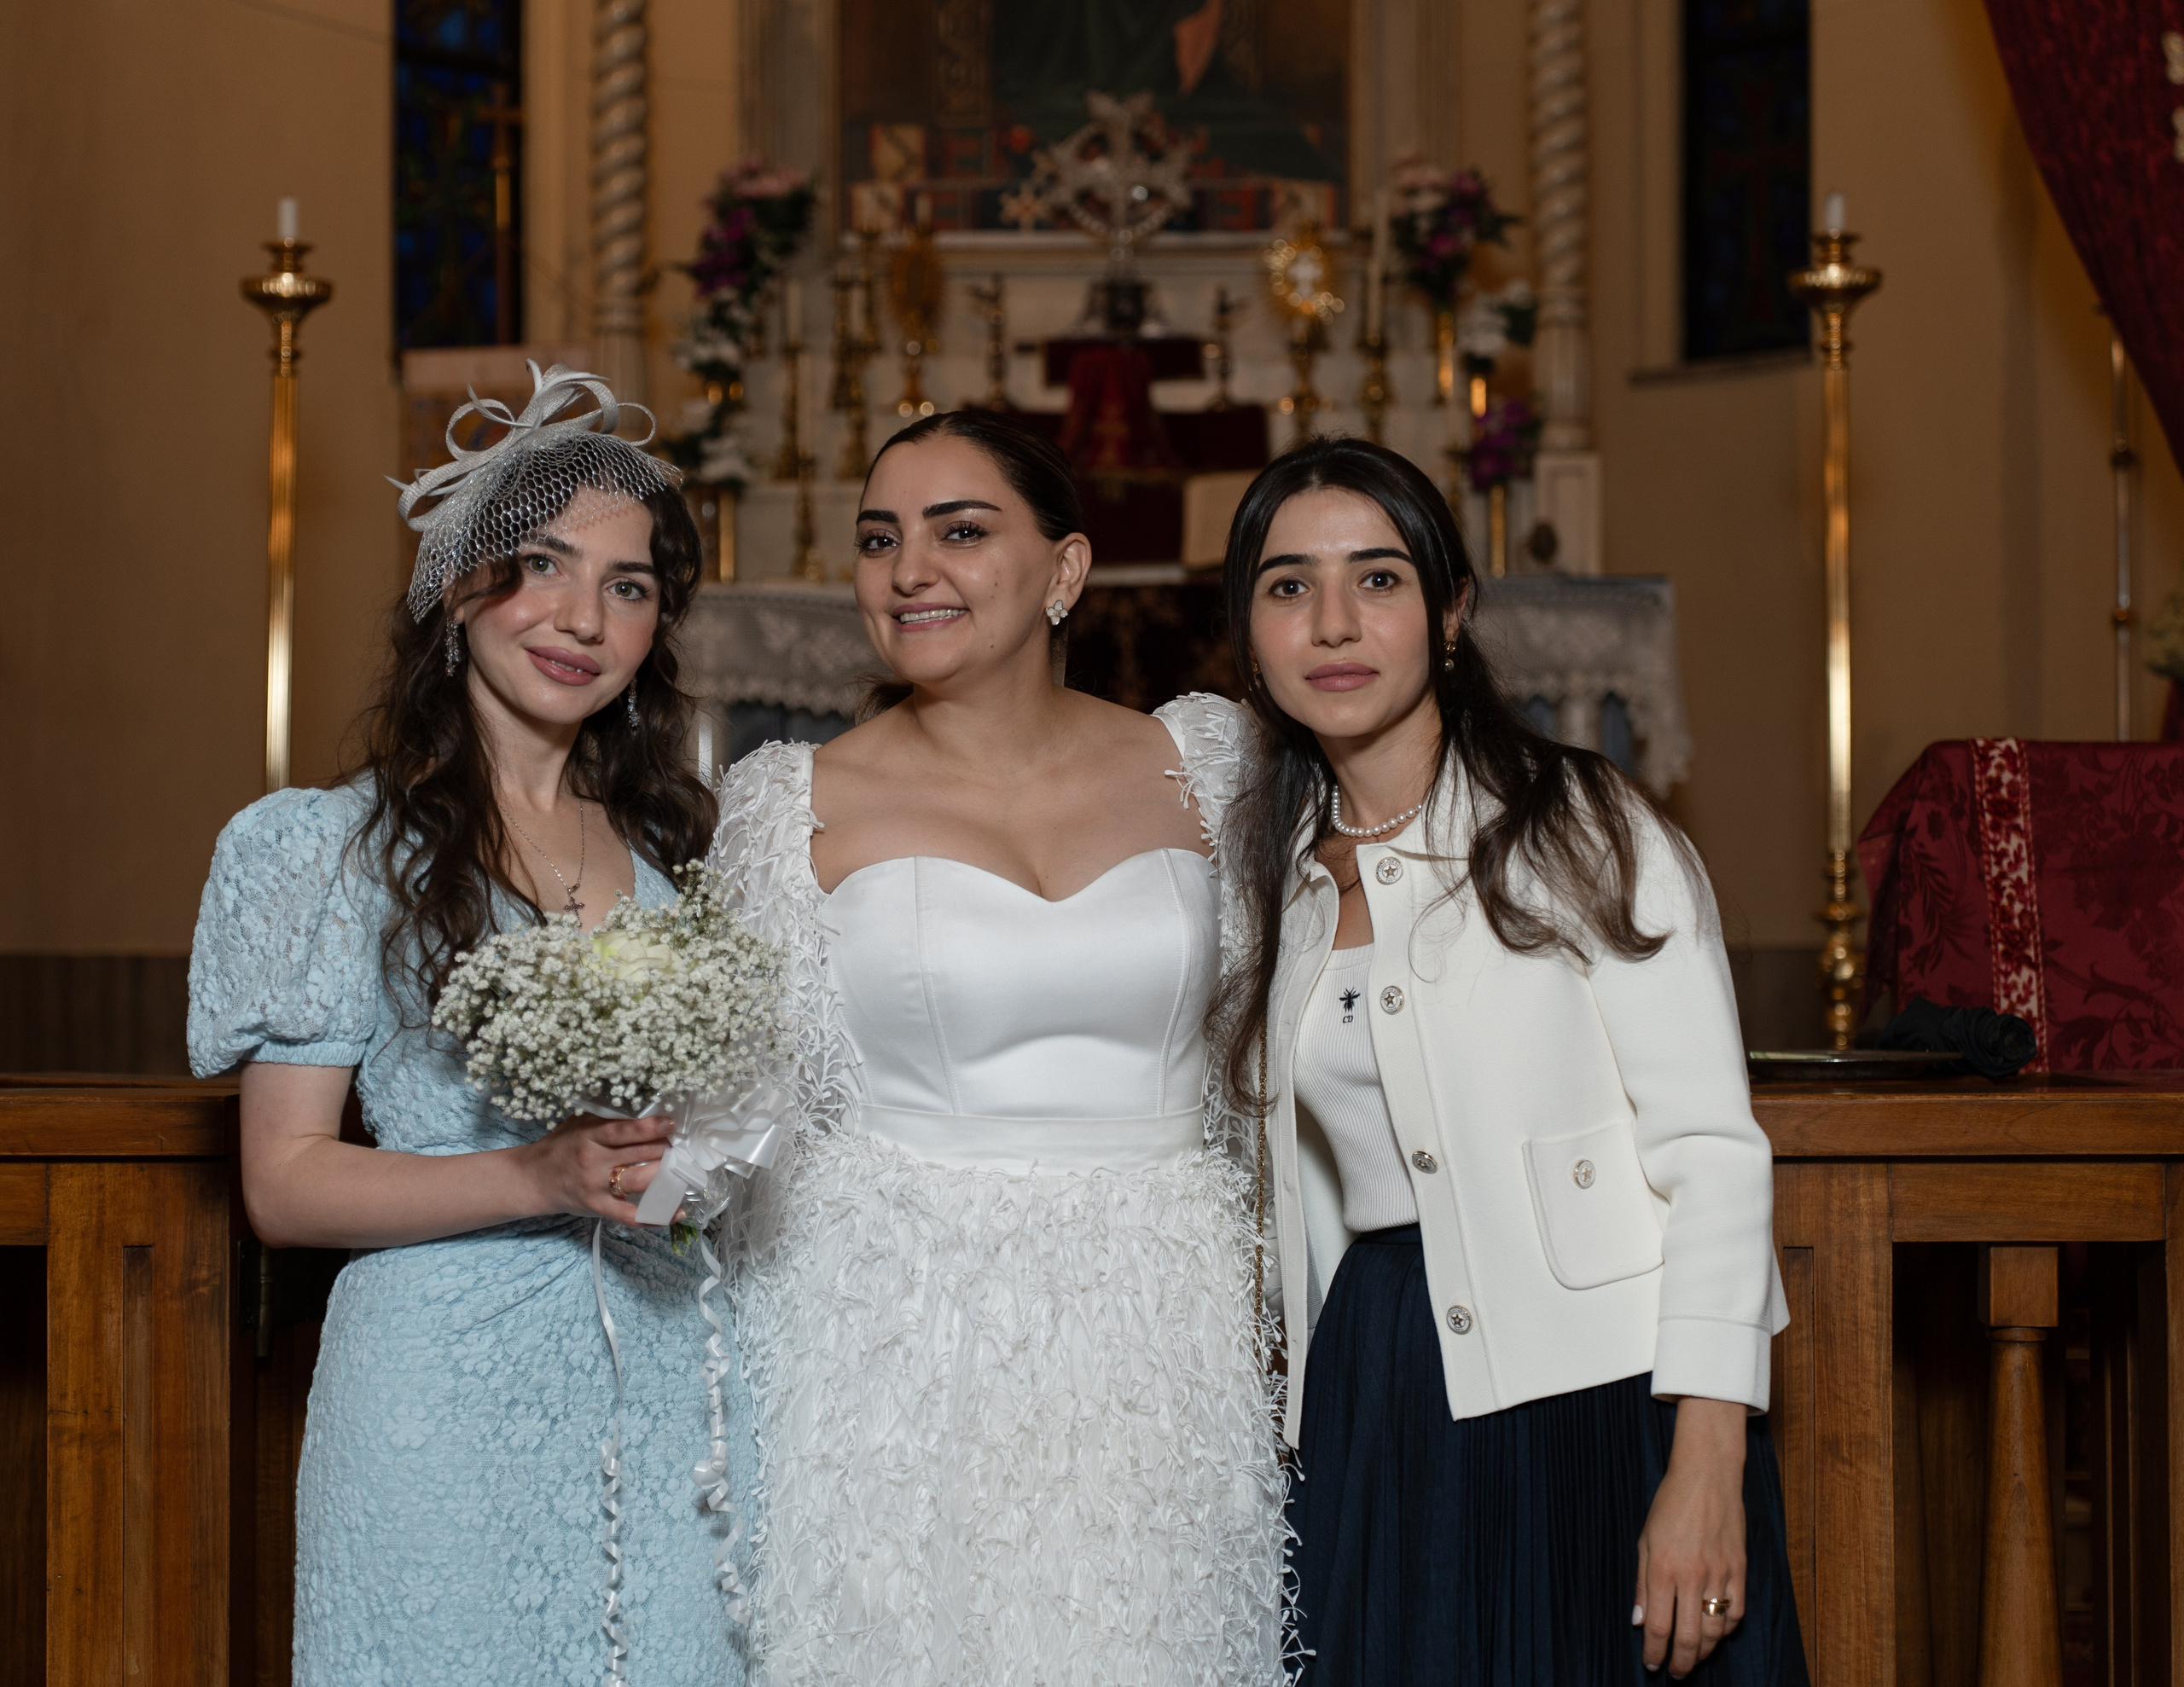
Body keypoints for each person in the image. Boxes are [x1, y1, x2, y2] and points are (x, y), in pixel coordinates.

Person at [189, 367, 755, 1684]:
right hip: (438, 1394)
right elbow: (282, 1182)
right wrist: (539, 1173)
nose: (582, 617)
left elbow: (702, 1143)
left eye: (628, 585)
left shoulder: (679, 854)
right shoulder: (334, 852)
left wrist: (697, 1166)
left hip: (668, 1382)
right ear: (456, 587)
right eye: (542, 565)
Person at [708, 409, 1287, 1685]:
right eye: (880, 540)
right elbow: (745, 1115)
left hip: (1158, 1329)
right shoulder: (787, 801)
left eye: (960, 532)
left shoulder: (1211, 762)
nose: (910, 570)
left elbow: (1276, 1054)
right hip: (896, 1339)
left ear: (1065, 568)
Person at [1213, 437, 1804, 1684]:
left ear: (1450, 613)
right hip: (1383, 1384)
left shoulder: (1581, 826)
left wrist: (1708, 1462)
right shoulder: (1269, 883)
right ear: (1252, 638)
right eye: (1288, 586)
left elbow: (1711, 1154)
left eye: (1378, 579)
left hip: (1604, 1394)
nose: (1333, 621)